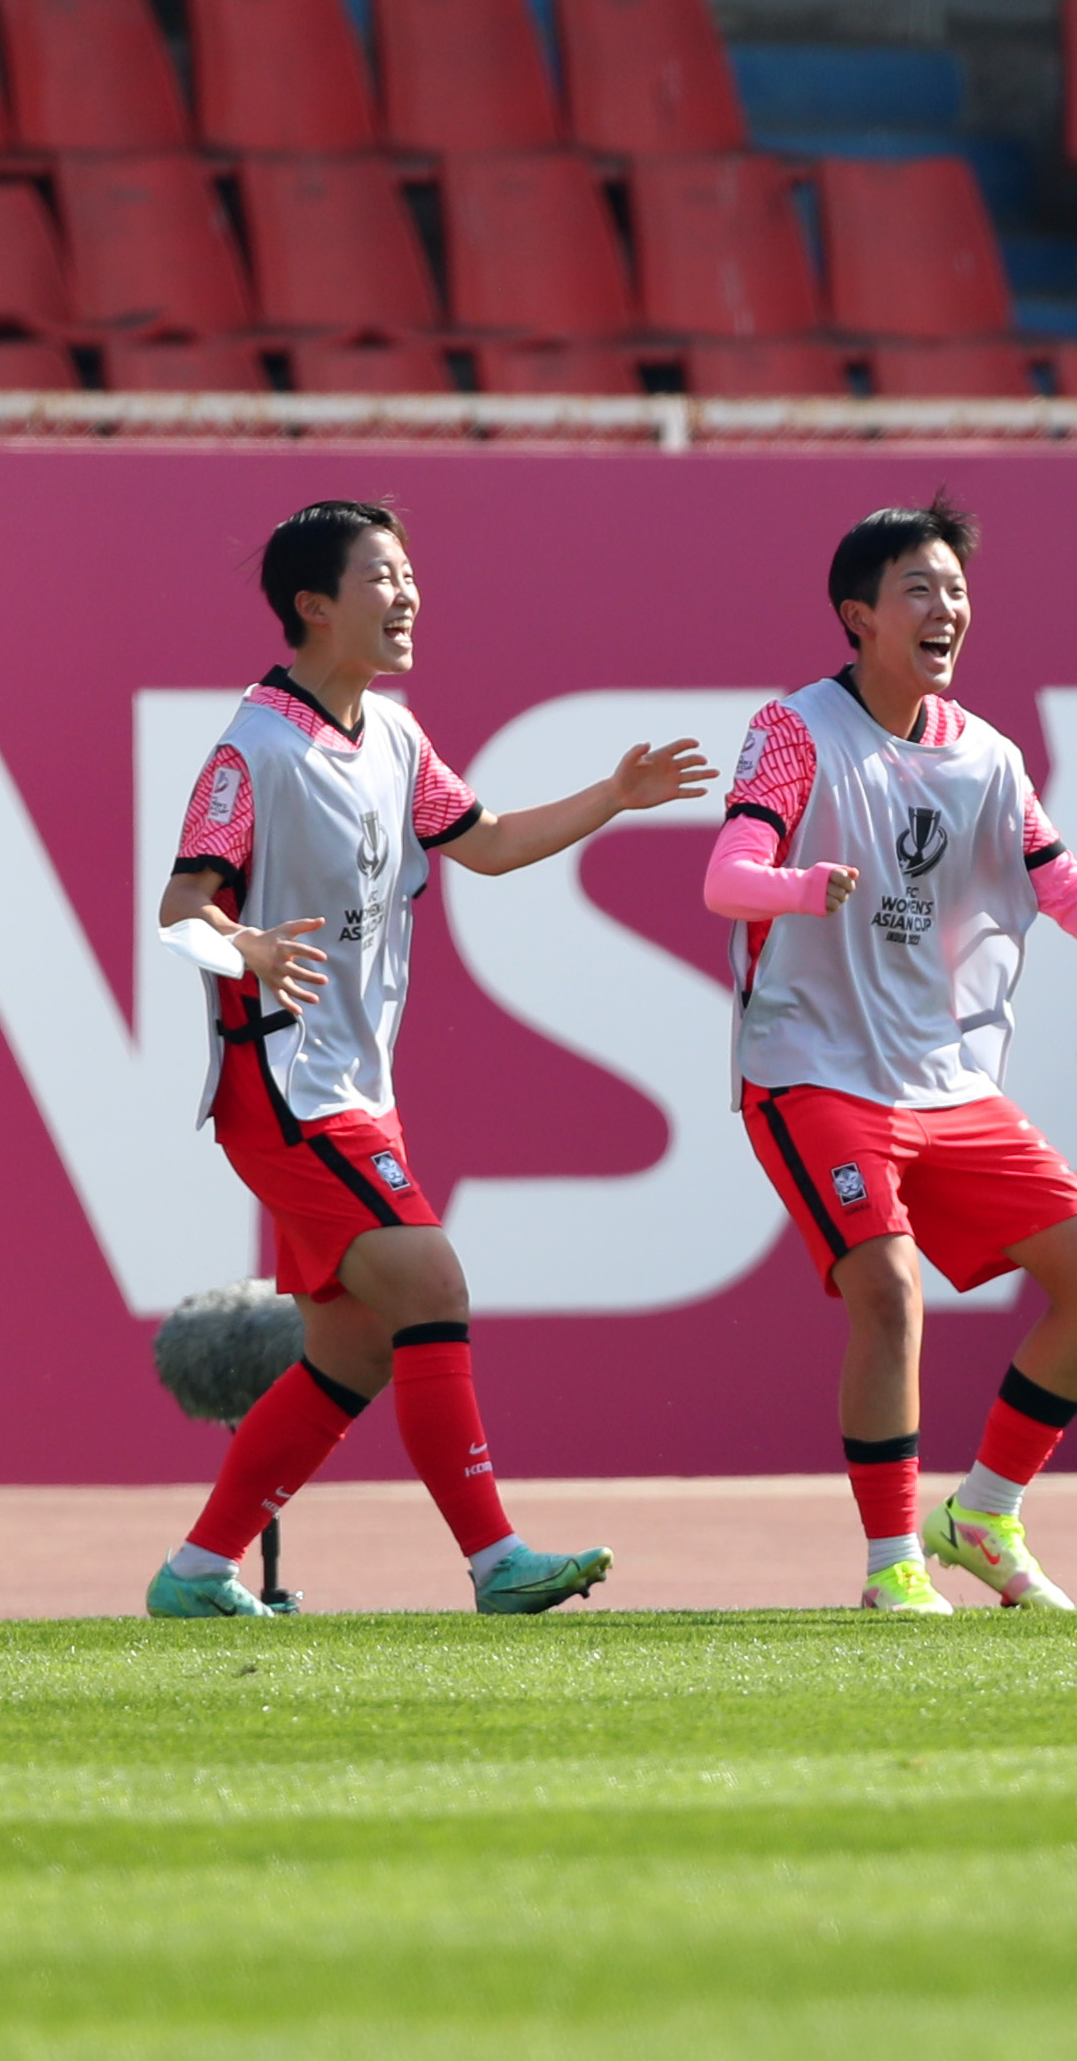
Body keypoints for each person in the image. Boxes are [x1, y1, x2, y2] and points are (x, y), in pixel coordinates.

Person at [146, 500, 713, 1619]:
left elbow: (488, 843)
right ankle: (496, 1558)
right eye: (381, 577)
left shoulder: (395, 737)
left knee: (352, 1352)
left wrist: (611, 795)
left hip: (353, 1085)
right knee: (434, 1283)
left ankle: (198, 1570)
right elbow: (177, 905)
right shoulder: (255, 745)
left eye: (409, 575)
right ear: (315, 604)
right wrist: (245, 941)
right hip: (286, 1085)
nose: (407, 596)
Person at [705, 495, 1077, 1615]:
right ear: (858, 616)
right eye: (919, 590)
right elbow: (725, 873)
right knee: (886, 1287)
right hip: (811, 1067)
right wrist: (796, 884)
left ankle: (981, 1512)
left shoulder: (985, 752)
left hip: (945, 1080)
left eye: (955, 588)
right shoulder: (796, 729)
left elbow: (1059, 882)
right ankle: (892, 1562)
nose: (948, 608)